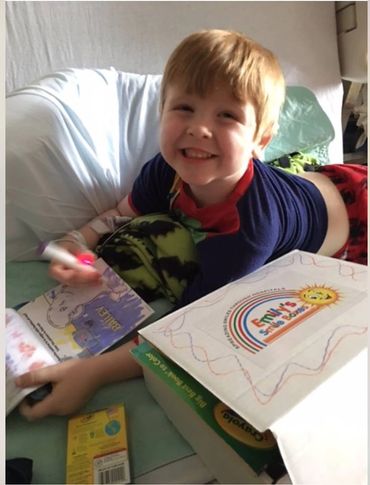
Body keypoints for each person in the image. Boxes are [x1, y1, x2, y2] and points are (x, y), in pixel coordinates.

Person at [16, 29, 367, 420]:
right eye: (184, 108)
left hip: (355, 219)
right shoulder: (166, 168)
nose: (199, 128)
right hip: (310, 185)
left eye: (228, 115)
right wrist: (75, 244)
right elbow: (122, 211)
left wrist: (94, 372)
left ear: (260, 139)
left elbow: (192, 332)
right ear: (162, 113)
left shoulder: (247, 233)